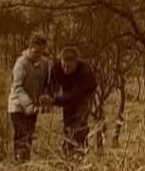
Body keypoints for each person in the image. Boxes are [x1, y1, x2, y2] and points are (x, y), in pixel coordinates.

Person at [41, 46, 97, 156]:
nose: (66, 69)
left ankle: (79, 151)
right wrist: (47, 97)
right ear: (60, 61)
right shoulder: (56, 68)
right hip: (68, 92)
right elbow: (51, 86)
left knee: (79, 123)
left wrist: (54, 101)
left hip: (84, 94)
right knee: (68, 122)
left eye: (69, 67)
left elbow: (75, 97)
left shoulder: (84, 70)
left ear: (76, 63)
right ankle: (68, 150)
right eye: (64, 66)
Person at [8, 33, 50, 162]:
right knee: (21, 135)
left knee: (30, 135)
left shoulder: (43, 63)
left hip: (33, 107)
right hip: (18, 105)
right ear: (30, 47)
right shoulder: (21, 63)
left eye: (41, 52)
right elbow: (18, 87)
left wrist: (44, 100)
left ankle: (26, 162)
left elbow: (45, 85)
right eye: (36, 51)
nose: (38, 54)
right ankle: (19, 161)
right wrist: (28, 104)